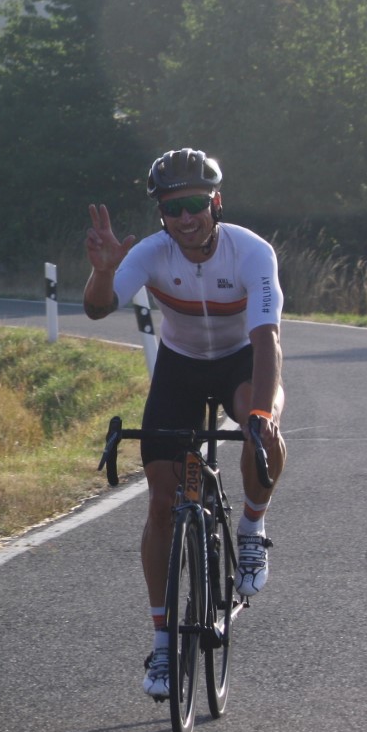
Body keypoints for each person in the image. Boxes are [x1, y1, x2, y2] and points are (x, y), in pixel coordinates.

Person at [82, 148, 287, 699]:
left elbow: (267, 338)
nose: (185, 217)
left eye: (194, 204)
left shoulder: (251, 252)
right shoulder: (151, 254)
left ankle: (251, 530)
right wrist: (103, 271)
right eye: (173, 209)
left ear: (216, 202)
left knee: (262, 429)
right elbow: (97, 308)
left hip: (241, 362)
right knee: (160, 503)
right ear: (162, 216)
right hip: (181, 369)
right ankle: (164, 642)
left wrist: (260, 414)